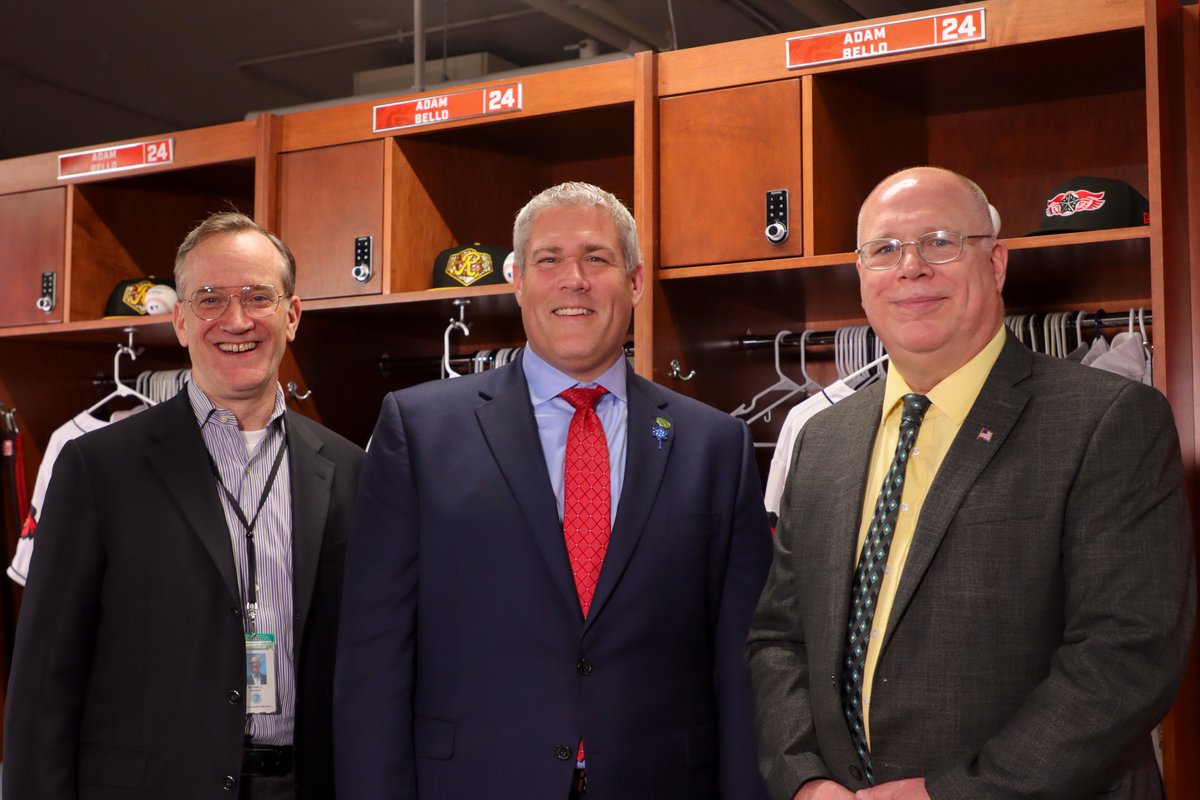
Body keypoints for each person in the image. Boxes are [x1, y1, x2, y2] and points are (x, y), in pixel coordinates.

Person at [747, 166, 1195, 799]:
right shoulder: (822, 439)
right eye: (885, 250)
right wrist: (804, 780)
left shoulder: (1108, 420)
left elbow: (1127, 655)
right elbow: (779, 638)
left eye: (939, 242)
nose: (910, 268)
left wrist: (950, 794)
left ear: (998, 263)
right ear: (862, 277)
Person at [335, 181, 772, 800]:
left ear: (636, 281)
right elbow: (373, 657)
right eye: (549, 259)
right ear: (517, 281)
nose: (575, 279)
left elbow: (742, 662)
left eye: (597, 258)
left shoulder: (715, 445)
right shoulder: (419, 431)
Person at [4, 212, 365, 799]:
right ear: (179, 321)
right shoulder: (96, 467)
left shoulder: (352, 469)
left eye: (258, 297)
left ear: (292, 316)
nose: (237, 320)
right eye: (210, 300)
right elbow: (45, 677)